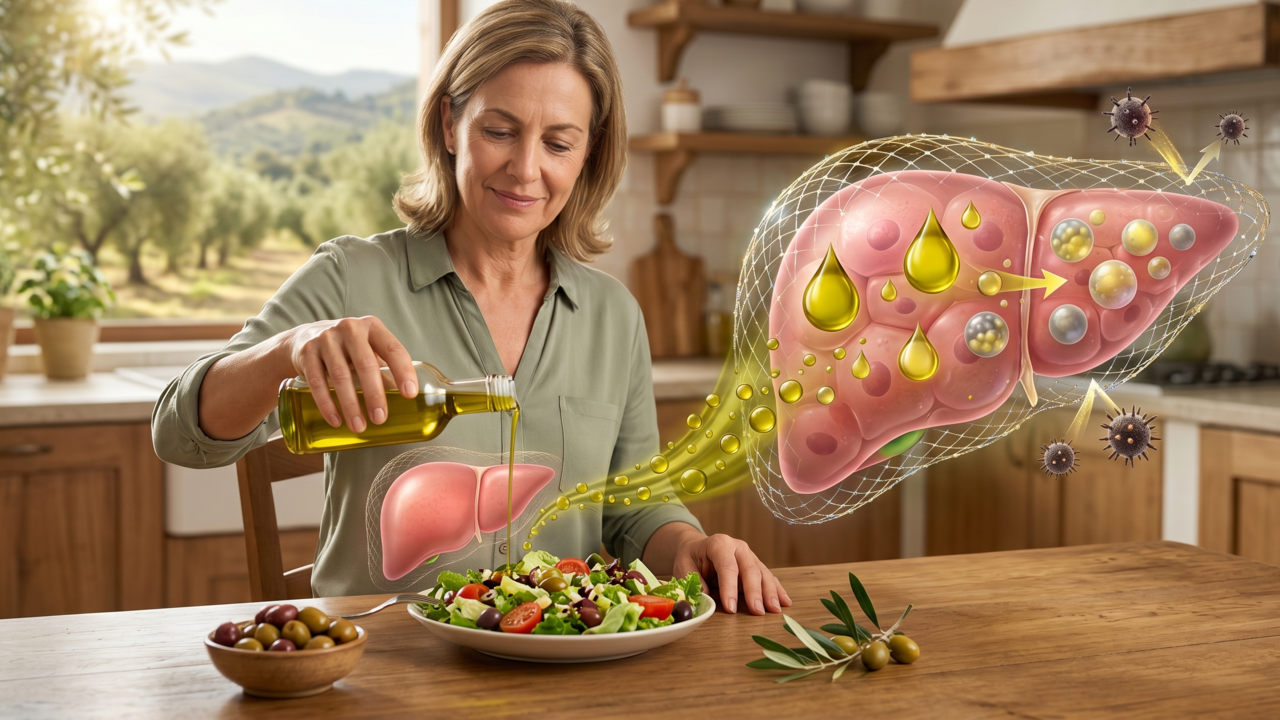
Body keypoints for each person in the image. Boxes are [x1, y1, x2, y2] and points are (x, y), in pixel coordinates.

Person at [153, 0, 790, 615]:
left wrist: (693, 546)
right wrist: (285, 352)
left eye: (558, 143)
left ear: (588, 153)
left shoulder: (612, 315)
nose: (524, 169)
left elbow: (631, 507)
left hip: (554, 666)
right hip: (381, 669)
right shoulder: (353, 276)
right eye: (499, 131)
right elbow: (179, 434)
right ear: (449, 125)